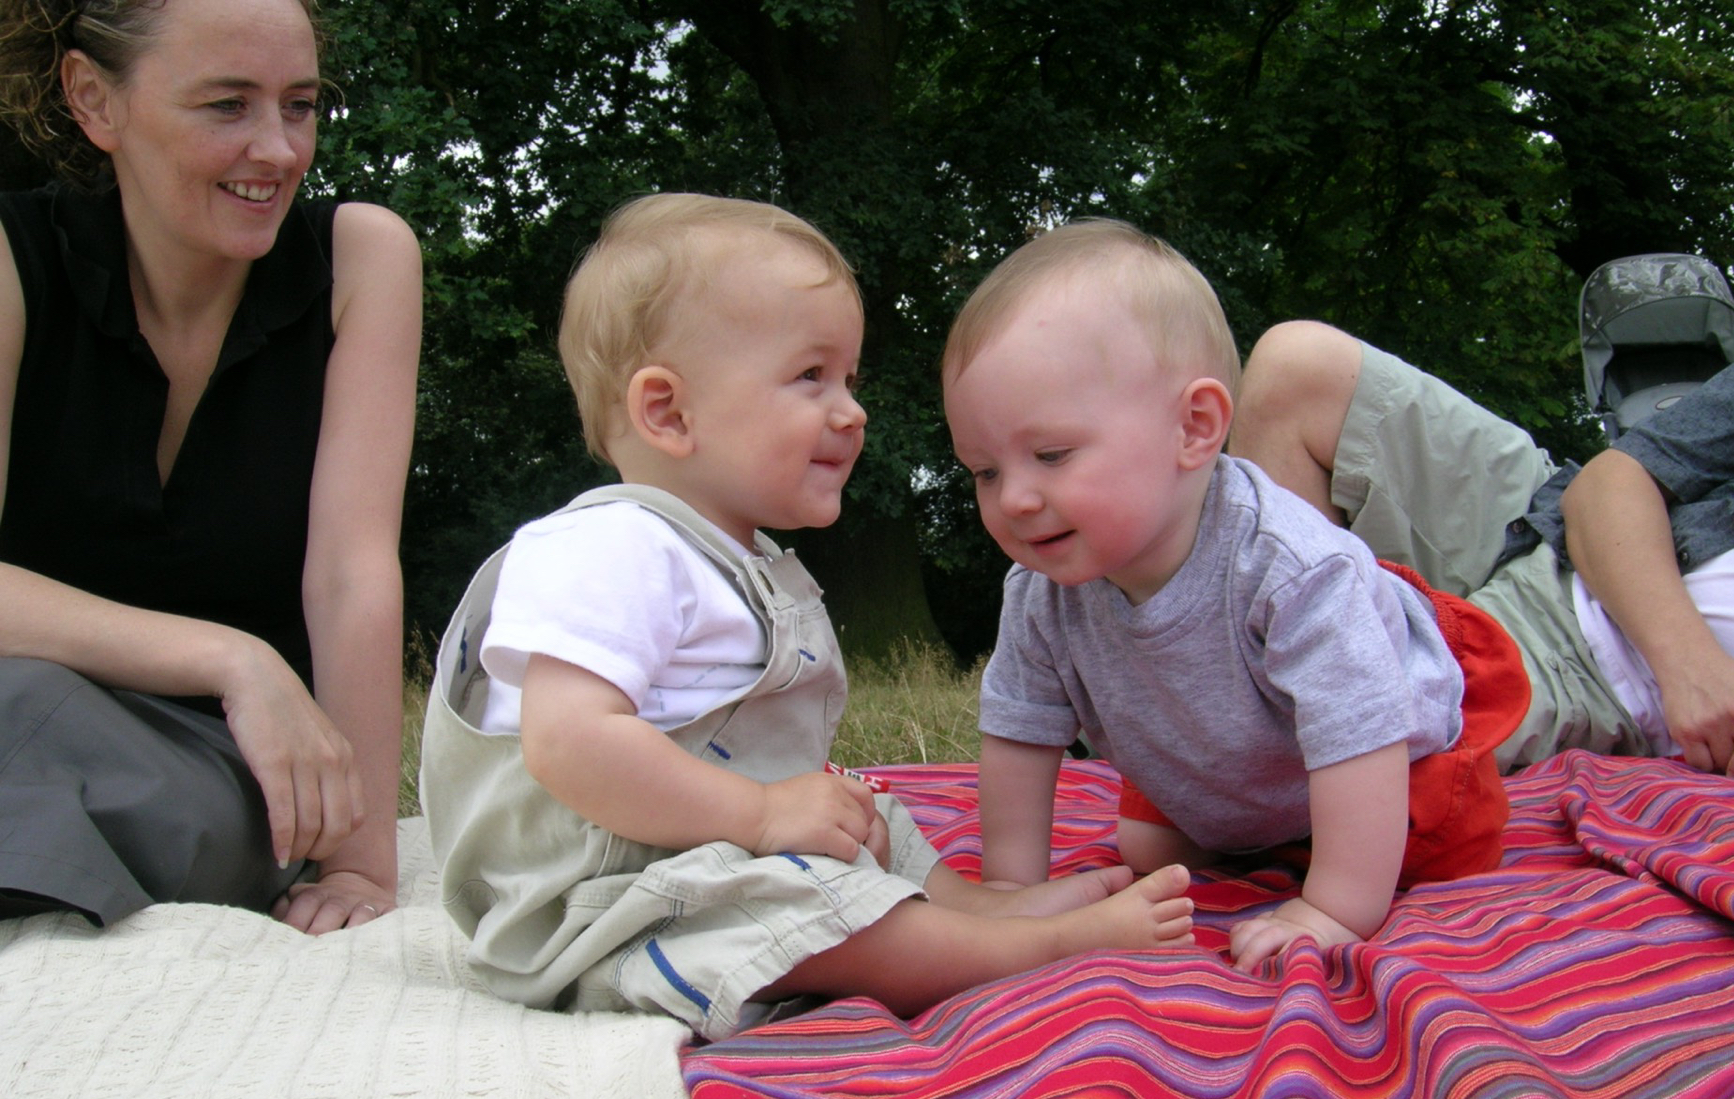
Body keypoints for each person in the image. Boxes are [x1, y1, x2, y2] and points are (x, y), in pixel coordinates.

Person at [418, 193, 1194, 1041]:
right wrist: (759, 816)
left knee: (864, 813)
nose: (852, 411)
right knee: (809, 904)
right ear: (668, 412)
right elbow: (569, 742)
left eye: (849, 380)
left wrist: (786, 810)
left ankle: (976, 909)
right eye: (811, 376)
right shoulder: (611, 546)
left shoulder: (730, 559)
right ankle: (1019, 951)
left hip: (701, 853)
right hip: (602, 898)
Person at [941, 219, 1532, 971]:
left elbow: (1361, 730)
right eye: (985, 472)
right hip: (1234, 760)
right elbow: (1019, 732)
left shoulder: (1291, 568)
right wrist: (1009, 889)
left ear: (1195, 428)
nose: (1015, 500)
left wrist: (1333, 908)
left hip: (1394, 752)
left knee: (1439, 845)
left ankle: (1324, 851)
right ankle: (1275, 831)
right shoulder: (1039, 592)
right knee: (1147, 848)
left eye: (1051, 455)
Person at [1230, 140, 1734, 782]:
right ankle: (1254, 657)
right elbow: (1614, 479)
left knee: (1290, 753)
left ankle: (1268, 686)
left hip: (1589, 673)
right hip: (1562, 542)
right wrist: (1691, 664)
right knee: (1299, 369)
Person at [0, 0, 421, 933]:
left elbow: (351, 575)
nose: (278, 148)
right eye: (228, 105)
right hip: (20, 697)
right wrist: (233, 658)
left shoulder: (360, 259)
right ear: (93, 99)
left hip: (221, 760)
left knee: (117, 785)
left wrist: (357, 862)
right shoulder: (11, 260)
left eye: (300, 105)